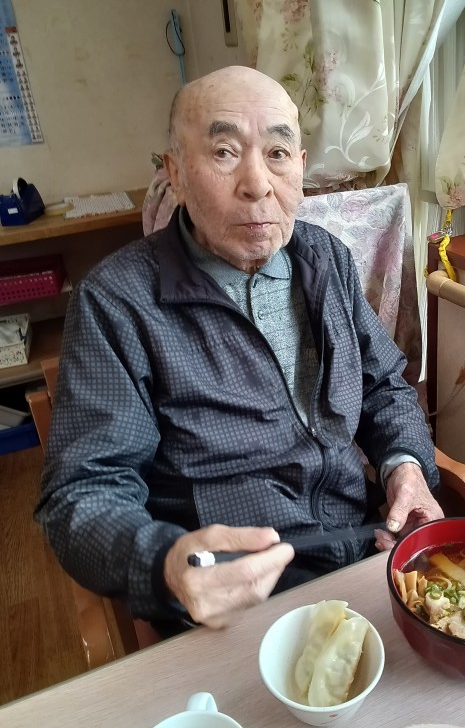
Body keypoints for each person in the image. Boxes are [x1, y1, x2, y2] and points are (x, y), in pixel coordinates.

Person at [35, 66, 443, 634]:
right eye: (224, 152)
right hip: (235, 603)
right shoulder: (118, 302)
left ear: (300, 168)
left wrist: (405, 467)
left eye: (277, 153)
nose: (257, 184)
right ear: (175, 174)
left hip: (364, 555)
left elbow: (383, 387)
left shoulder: (325, 259)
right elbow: (84, 493)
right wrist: (165, 565)